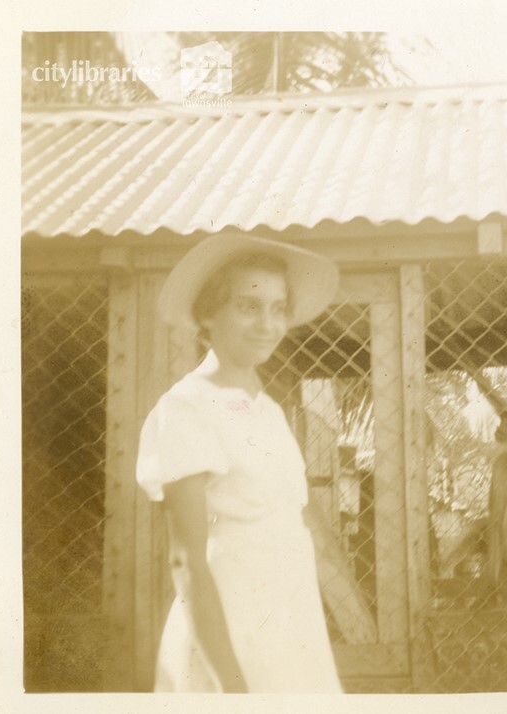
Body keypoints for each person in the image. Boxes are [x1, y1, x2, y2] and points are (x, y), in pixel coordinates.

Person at [135, 233, 343, 693]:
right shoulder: (186, 408)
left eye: (278, 308)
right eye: (249, 306)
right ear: (208, 313)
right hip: (227, 641)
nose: (267, 324)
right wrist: (232, 686)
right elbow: (186, 560)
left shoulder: (268, 410)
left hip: (290, 631)